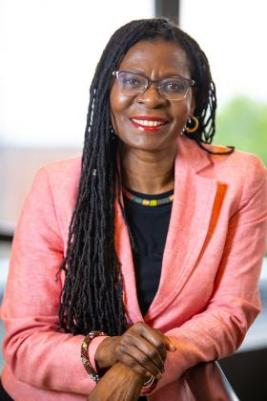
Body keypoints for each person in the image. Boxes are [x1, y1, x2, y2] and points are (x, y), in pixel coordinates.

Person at [0, 18, 267, 401]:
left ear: (195, 101)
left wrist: (138, 368)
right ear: (107, 91)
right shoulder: (55, 187)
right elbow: (24, 341)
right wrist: (107, 352)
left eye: (173, 85)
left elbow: (231, 312)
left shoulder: (241, 177)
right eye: (132, 80)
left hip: (172, 390)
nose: (151, 98)